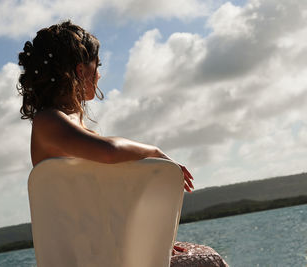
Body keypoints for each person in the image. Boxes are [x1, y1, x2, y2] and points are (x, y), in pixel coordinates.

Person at [17, 20, 194, 192]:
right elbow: (109, 151)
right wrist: (155, 152)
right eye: (97, 65)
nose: (99, 75)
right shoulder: (47, 121)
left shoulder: (72, 125)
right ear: (80, 71)